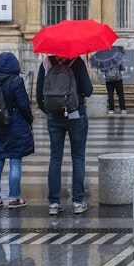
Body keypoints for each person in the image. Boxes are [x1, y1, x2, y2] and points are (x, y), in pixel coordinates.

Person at [36, 54, 93, 215]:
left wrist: (50, 111)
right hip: (76, 114)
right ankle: (78, 201)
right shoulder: (77, 62)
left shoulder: (46, 63)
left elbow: (39, 94)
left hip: (54, 116)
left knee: (55, 158)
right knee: (78, 157)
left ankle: (54, 203)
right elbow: (88, 91)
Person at [0, 52, 34, 209]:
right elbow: (24, 104)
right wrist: (29, 119)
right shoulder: (16, 81)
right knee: (15, 160)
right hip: (16, 124)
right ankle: (14, 198)